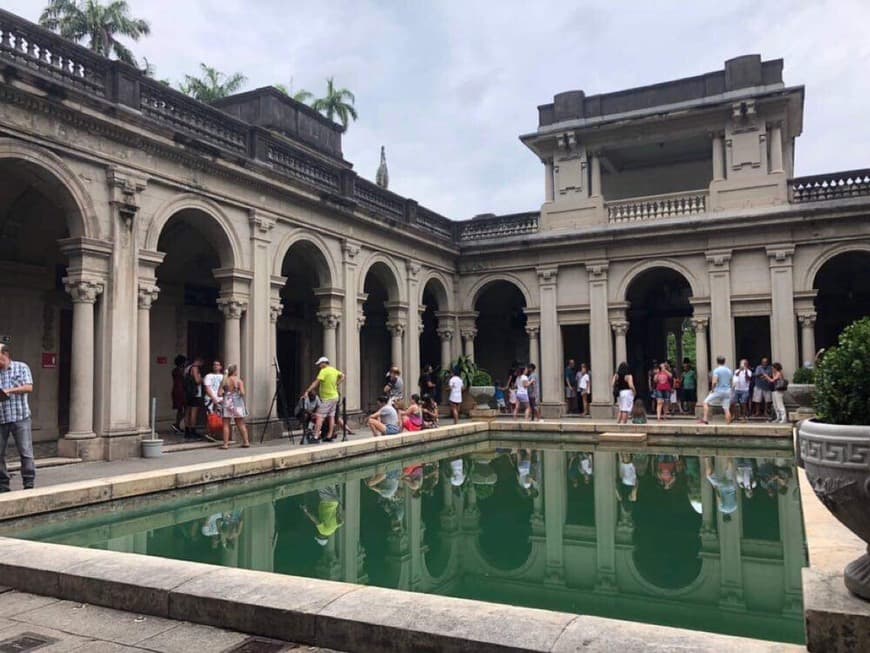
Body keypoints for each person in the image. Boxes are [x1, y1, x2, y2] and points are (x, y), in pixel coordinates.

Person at [0, 344, 35, 491]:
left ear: (5, 354)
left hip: (20, 417)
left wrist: (10, 390)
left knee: (25, 451)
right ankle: (3, 484)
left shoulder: (21, 367)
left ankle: (28, 483)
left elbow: (29, 387)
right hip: (1, 419)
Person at [301, 356, 344, 443]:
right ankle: (329, 435)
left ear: (324, 363)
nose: (319, 366)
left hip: (327, 398)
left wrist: (307, 391)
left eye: (320, 364)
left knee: (319, 416)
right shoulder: (334, 370)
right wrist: (336, 384)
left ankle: (316, 436)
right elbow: (343, 376)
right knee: (331, 416)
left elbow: (316, 382)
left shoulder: (323, 371)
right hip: (335, 396)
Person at [220, 364, 250, 449]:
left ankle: (225, 444)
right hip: (237, 403)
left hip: (227, 402)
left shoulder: (225, 380)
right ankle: (246, 442)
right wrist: (238, 392)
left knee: (226, 424)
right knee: (240, 423)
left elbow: (219, 393)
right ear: (235, 371)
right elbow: (243, 393)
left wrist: (226, 393)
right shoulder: (239, 381)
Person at [700, 356, 733, 425]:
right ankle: (728, 425)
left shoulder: (716, 370)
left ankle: (705, 419)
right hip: (727, 391)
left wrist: (712, 389)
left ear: (717, 361)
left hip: (719, 390)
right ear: (724, 361)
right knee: (726, 409)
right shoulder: (729, 370)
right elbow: (731, 382)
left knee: (705, 402)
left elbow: (714, 382)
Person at [202, 360, 224, 441]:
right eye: (214, 365)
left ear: (221, 367)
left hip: (221, 399)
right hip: (210, 400)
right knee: (211, 417)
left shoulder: (223, 377)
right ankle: (209, 434)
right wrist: (213, 398)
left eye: (217, 365)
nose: (216, 366)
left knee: (220, 418)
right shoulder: (208, 376)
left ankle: (218, 435)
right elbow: (207, 388)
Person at [183, 357, 204, 440]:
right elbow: (197, 380)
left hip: (188, 393)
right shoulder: (195, 368)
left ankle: (187, 431)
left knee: (188, 411)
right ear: (199, 361)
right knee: (193, 412)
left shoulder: (187, 368)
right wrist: (202, 379)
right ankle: (192, 431)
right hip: (194, 393)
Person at [170, 354, 186, 434]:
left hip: (176, 390)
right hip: (180, 391)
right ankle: (177, 424)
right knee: (183, 409)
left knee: (181, 409)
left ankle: (177, 425)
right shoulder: (180, 371)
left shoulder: (175, 370)